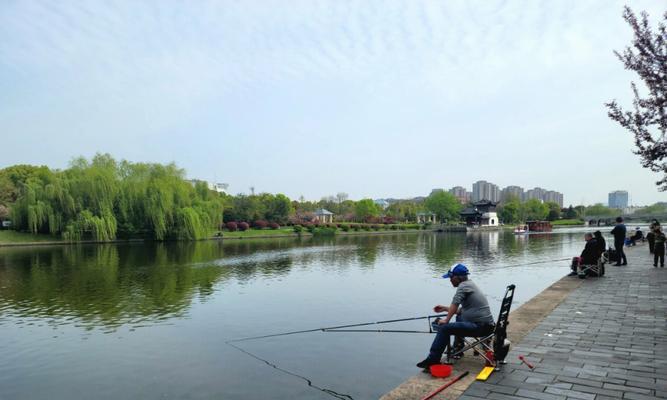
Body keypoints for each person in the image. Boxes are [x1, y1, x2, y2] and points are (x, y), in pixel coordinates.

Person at [416, 264, 495, 368]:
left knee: (444, 328)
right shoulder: (470, 284)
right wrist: (445, 308)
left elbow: (455, 302)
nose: (450, 280)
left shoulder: (463, 286)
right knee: (459, 317)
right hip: (486, 325)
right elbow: (462, 311)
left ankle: (433, 359)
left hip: (481, 327)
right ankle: (458, 348)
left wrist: (446, 320)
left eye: (450, 277)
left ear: (457, 277)